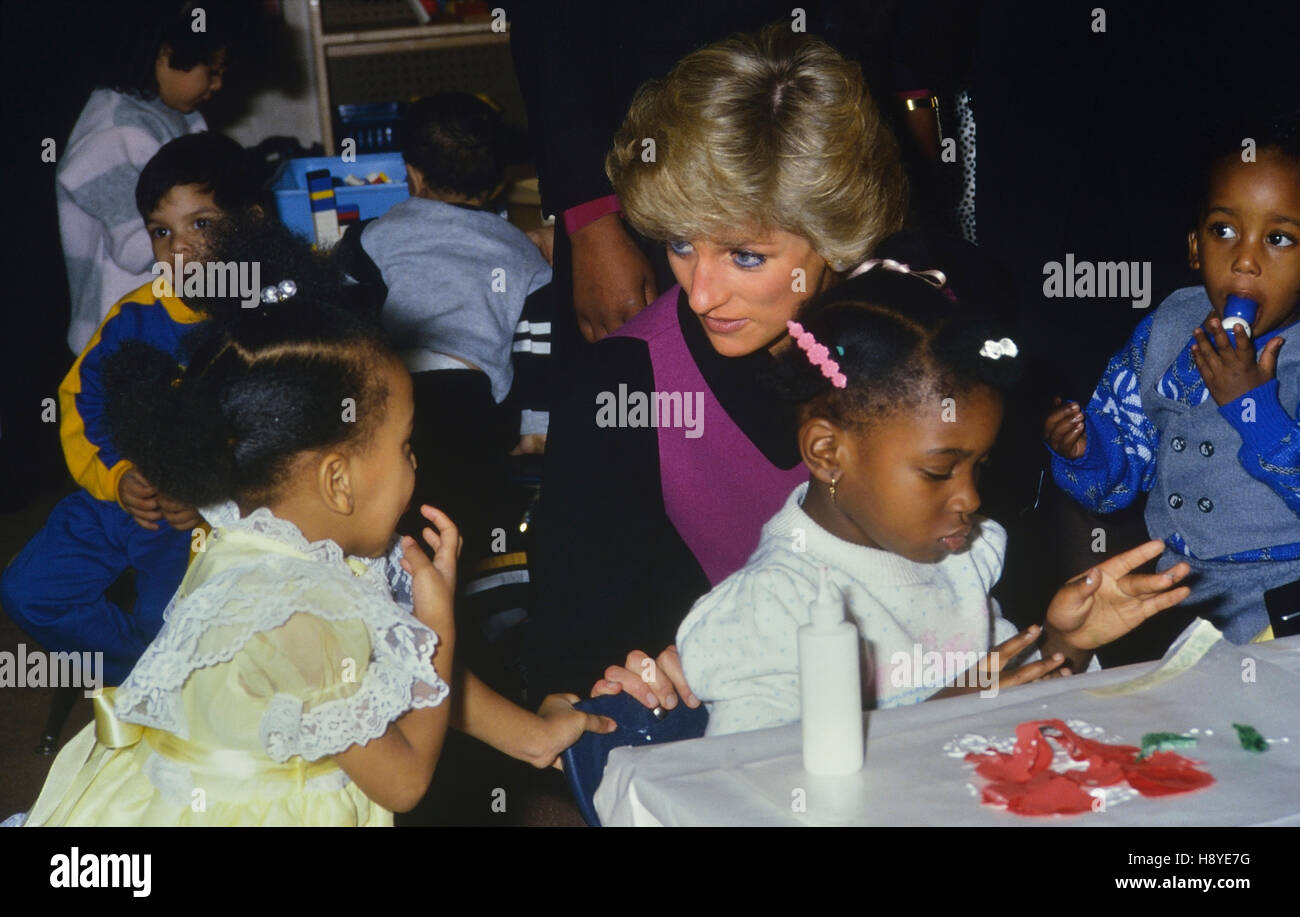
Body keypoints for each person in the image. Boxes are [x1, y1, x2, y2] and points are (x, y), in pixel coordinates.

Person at [19, 263, 613, 827]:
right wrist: (438, 628)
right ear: (337, 481)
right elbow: (404, 780)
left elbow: (388, 671)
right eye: (406, 445)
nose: (416, 462)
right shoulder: (295, 610)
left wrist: (530, 738)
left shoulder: (282, 531)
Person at [525, 26, 908, 702]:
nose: (699, 292)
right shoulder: (619, 389)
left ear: (835, 236)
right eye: (678, 244)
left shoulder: (915, 346)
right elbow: (573, 653)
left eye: (745, 256)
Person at [676, 266, 1192, 735]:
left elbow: (1014, 709)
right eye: (938, 471)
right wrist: (940, 714)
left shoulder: (957, 559)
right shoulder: (774, 607)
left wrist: (1066, 643)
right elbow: (753, 789)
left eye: (979, 466)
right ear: (827, 452)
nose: (969, 496)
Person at [1, 132, 261, 686]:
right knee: (31, 590)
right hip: (125, 490)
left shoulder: (265, 322)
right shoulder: (133, 316)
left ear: (251, 222)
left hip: (211, 517)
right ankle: (149, 681)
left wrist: (214, 498)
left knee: (166, 618)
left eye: (203, 225)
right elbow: (79, 400)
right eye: (162, 232)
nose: (180, 249)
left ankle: (180, 687)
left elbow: (282, 440)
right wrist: (116, 476)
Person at [1044, 113, 1300, 644]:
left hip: (1284, 602)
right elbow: (1119, 472)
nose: (1245, 260)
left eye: (1278, 238)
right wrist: (1088, 450)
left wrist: (1253, 406)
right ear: (1192, 246)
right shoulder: (1167, 326)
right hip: (1179, 598)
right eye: (1223, 230)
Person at [346, 92, 552, 568]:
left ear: (412, 173)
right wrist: (536, 428)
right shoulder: (521, 251)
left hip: (394, 399)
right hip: (474, 403)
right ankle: (500, 604)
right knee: (482, 516)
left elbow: (346, 318)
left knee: (401, 514)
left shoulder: (371, 236)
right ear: (500, 180)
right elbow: (538, 341)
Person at [56, 0, 256, 355]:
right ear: (166, 53)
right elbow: (137, 249)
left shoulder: (174, 114)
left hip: (171, 320)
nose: (219, 84)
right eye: (211, 71)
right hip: (122, 335)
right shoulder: (112, 135)